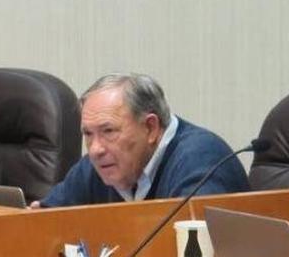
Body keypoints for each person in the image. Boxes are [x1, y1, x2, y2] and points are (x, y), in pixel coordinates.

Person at [36, 73, 249, 208]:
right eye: (88, 134)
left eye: (108, 131)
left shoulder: (201, 160)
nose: (95, 149)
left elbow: (192, 253)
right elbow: (47, 218)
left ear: (150, 128)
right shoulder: (99, 164)